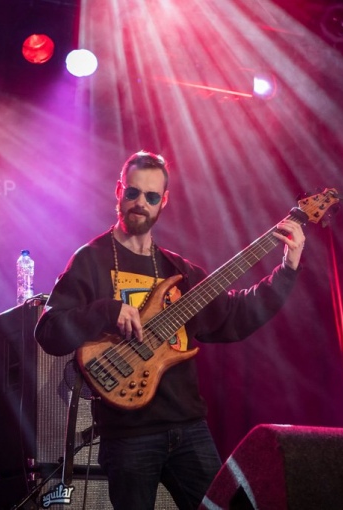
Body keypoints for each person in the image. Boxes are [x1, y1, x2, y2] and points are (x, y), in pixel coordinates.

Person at [34, 150, 305, 510]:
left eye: (150, 196)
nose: (140, 203)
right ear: (118, 191)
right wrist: (106, 310)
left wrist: (287, 269)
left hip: (188, 426)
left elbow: (236, 316)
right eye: (132, 193)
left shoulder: (179, 270)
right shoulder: (92, 259)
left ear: (164, 201)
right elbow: (48, 330)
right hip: (129, 434)